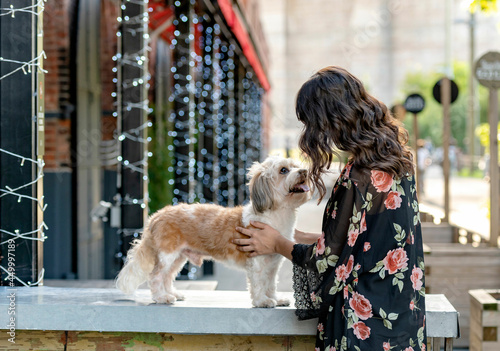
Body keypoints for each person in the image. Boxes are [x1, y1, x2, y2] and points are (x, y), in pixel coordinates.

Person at [234, 66, 426, 351]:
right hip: (402, 321)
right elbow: (365, 241)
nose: (315, 132)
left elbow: (328, 260)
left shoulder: (358, 174)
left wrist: (277, 243)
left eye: (313, 122)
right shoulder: (397, 161)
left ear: (332, 118)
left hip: (360, 327)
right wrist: (299, 236)